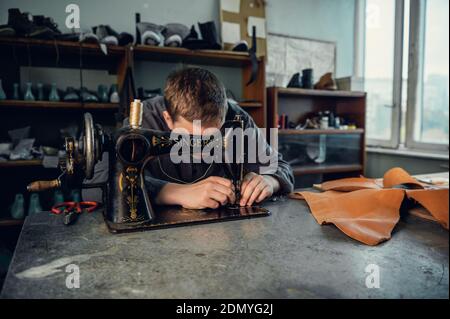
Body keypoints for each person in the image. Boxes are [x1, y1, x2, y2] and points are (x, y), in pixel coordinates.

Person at [87, 67, 294, 209]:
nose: (204, 148)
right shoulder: (143, 122)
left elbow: (283, 168)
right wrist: (174, 193)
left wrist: (269, 181)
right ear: (167, 119)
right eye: (191, 138)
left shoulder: (236, 118)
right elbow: (96, 185)